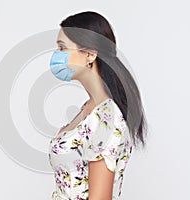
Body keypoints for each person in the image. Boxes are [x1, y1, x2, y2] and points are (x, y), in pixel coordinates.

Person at [48, 11, 148, 200]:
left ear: (90, 55)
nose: (56, 55)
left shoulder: (106, 119)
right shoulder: (90, 108)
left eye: (62, 48)